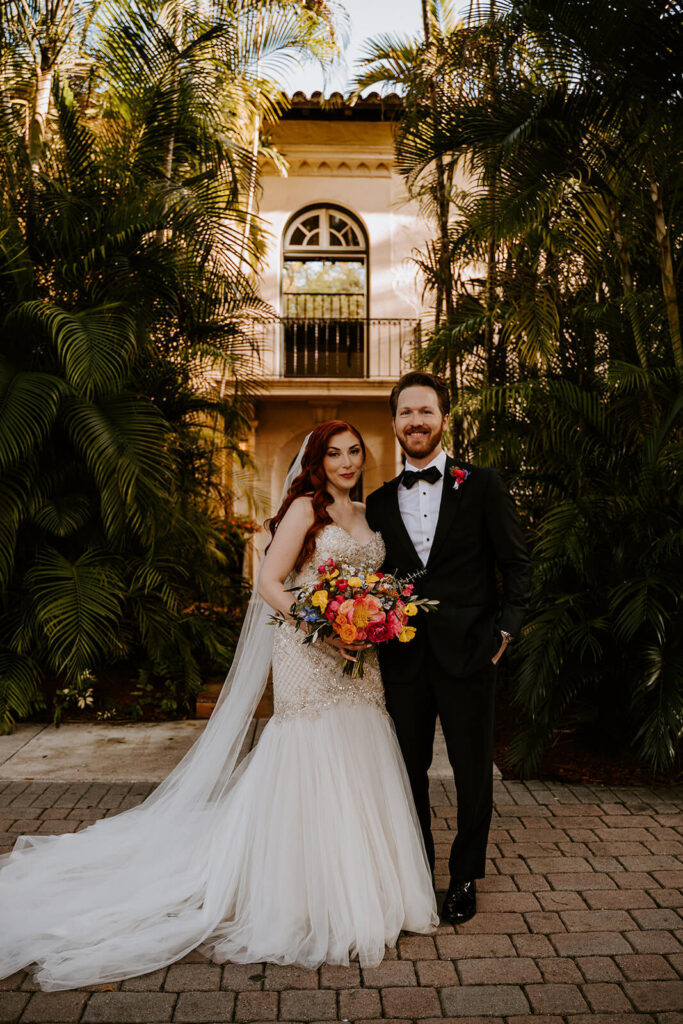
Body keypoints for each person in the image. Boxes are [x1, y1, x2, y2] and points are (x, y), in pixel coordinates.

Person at [0, 420, 437, 992]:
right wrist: (323, 626)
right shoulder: (307, 509)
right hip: (310, 652)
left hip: (361, 658)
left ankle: (367, 888)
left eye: (355, 452)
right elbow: (270, 582)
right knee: (312, 752)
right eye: (335, 453)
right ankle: (305, 893)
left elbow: (372, 581)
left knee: (361, 750)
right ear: (317, 460)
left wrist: (373, 617)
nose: (348, 462)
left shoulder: (366, 515)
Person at [365, 372, 532, 926]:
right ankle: (419, 870)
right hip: (403, 658)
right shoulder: (379, 502)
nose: (416, 421)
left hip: (470, 652)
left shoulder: (482, 484)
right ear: (394, 424)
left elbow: (517, 564)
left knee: (470, 770)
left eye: (426, 412)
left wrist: (504, 632)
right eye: (406, 413)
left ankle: (465, 876)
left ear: (443, 418)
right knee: (406, 769)